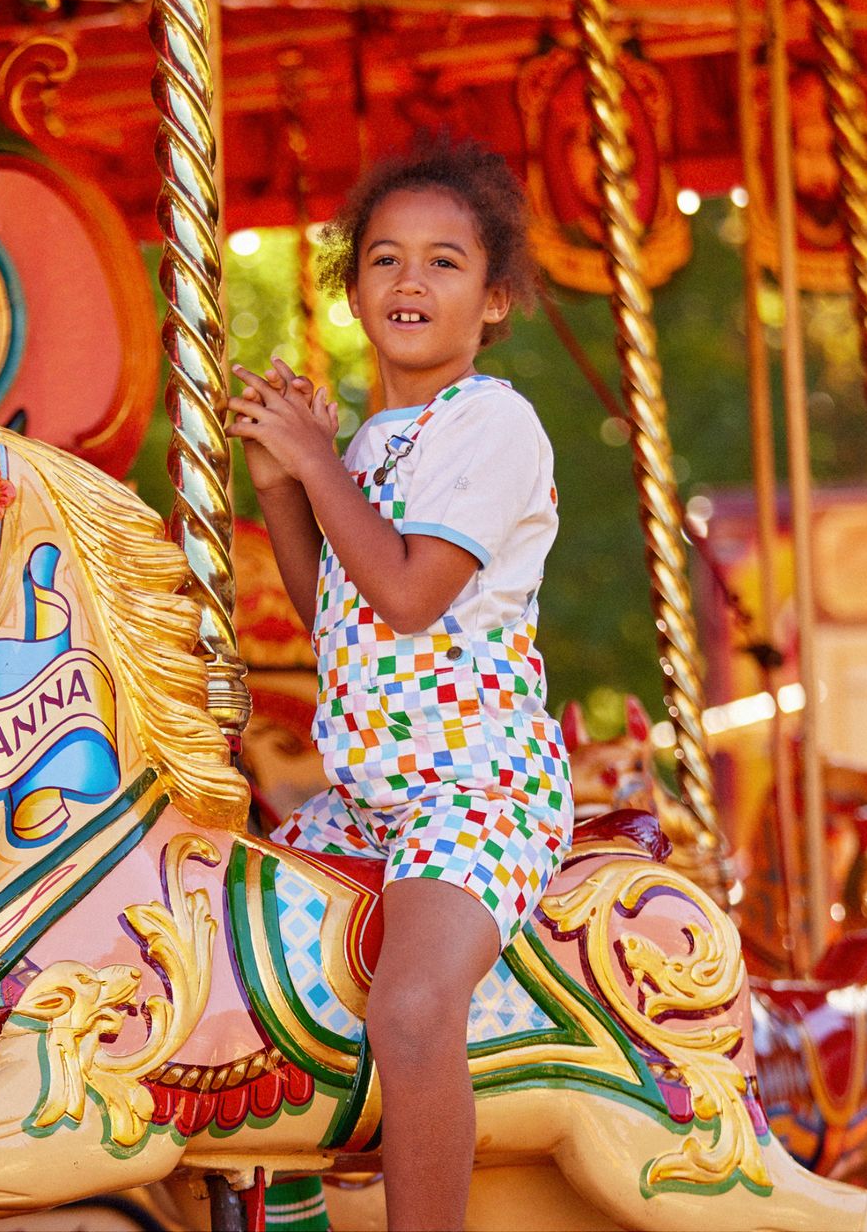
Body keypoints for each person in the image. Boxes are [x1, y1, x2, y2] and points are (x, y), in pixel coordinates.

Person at [227, 139, 574, 1231]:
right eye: (383, 260)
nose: (409, 282)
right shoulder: (378, 437)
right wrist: (284, 479)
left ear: (495, 299)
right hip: (366, 796)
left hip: (474, 789)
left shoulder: (492, 423)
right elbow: (334, 597)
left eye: (442, 262)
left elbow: (413, 591)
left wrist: (318, 465)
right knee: (230, 976)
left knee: (414, 1008)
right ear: (351, 289)